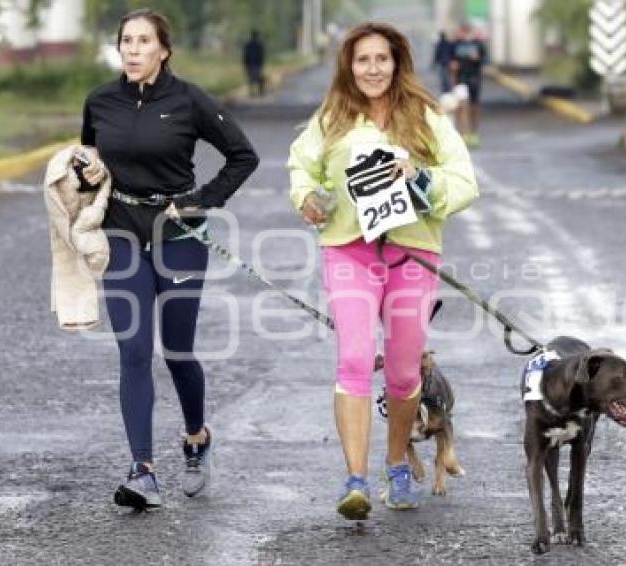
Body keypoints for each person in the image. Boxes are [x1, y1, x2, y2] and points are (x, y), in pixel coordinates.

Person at [287, 22, 478, 520]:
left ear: (397, 63)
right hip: (349, 250)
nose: (372, 69)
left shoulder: (427, 118)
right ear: (349, 66)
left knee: (401, 369)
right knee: (353, 358)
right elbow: (300, 168)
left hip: (412, 252)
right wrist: (307, 198)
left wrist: (421, 179)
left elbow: (464, 182)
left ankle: (396, 463)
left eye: (381, 59)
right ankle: (355, 479)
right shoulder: (332, 118)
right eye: (362, 60)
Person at [78, 8, 259, 510]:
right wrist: (85, 174)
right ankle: (143, 471)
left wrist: (201, 200)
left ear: (164, 50)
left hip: (178, 233)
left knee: (178, 350)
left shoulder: (189, 99)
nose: (133, 50)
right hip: (121, 231)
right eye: (126, 41)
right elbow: (88, 160)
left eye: (143, 41)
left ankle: (197, 438)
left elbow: (243, 156)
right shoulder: (100, 101)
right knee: (134, 350)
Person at [450, 23, 487, 148]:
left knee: (474, 107)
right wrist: (452, 66)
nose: (460, 34)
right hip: (461, 80)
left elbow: (485, 60)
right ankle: (463, 135)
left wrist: (478, 59)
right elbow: (448, 60)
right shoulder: (455, 45)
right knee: (462, 106)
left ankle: (474, 133)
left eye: (462, 32)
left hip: (474, 79)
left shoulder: (478, 45)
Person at [242, 30, 266, 97]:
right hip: (256, 64)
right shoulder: (259, 45)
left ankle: (252, 92)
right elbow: (262, 55)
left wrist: (245, 64)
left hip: (250, 64)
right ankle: (260, 91)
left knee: (251, 79)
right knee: (258, 78)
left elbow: (245, 55)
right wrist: (261, 64)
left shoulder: (248, 45)